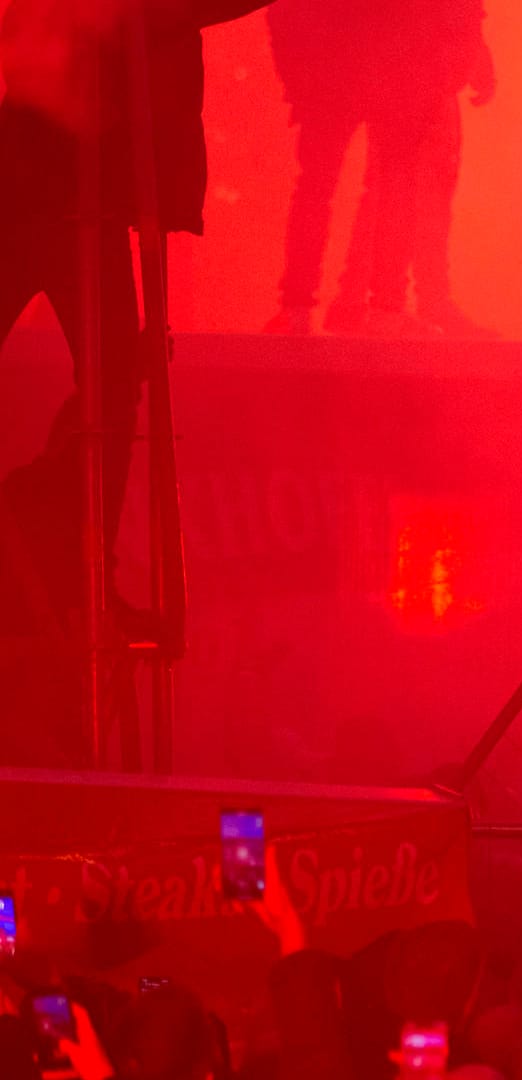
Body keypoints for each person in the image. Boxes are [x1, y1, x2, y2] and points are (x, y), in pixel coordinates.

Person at [0, 0, 269, 764]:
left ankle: (82, 554)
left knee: (118, 378)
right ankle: (77, 551)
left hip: (81, 183)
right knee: (117, 377)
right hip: (43, 175)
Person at [263, 0, 495, 337]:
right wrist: (456, 60)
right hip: (401, 60)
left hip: (336, 62)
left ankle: (300, 307)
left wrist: (295, 73)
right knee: (394, 187)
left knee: (319, 187)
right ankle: (384, 309)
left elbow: (284, 9)